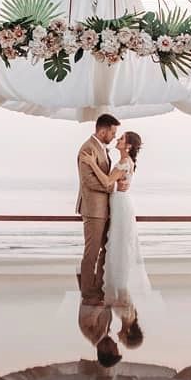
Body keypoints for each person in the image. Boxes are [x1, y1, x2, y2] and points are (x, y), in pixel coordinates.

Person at [83, 130, 151, 306]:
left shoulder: (123, 162)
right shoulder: (127, 162)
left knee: (118, 244)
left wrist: (92, 163)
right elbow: (113, 182)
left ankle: (118, 286)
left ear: (128, 146)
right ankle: (117, 286)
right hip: (121, 203)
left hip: (120, 205)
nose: (118, 139)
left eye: (121, 138)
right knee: (118, 244)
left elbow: (107, 182)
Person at [76, 113, 120, 305]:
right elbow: (87, 180)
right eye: (113, 132)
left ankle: (98, 287)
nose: (114, 137)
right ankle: (87, 293)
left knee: (105, 250)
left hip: (103, 209)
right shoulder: (88, 148)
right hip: (93, 209)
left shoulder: (100, 148)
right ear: (102, 131)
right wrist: (110, 186)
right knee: (91, 252)